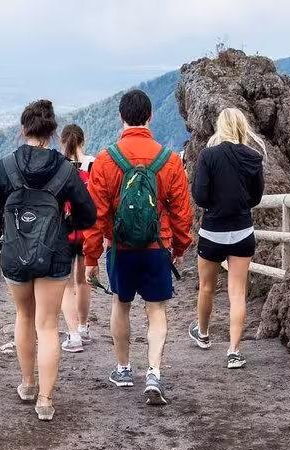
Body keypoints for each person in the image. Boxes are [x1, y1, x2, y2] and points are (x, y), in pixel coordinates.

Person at [0, 100, 96, 421]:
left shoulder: (5, 167)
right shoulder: (65, 169)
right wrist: (67, 225)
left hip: (14, 254)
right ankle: (45, 400)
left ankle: (28, 384)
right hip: (54, 255)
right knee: (48, 324)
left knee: (23, 316)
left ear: (23, 130)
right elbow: (89, 214)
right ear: (53, 132)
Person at [84, 89, 192, 405]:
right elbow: (182, 211)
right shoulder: (170, 161)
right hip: (159, 246)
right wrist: (181, 247)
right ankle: (154, 372)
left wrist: (92, 257)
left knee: (121, 304)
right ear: (150, 116)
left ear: (121, 117)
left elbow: (96, 215)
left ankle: (123, 369)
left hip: (121, 248)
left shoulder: (105, 160)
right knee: (156, 310)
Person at [189, 107, 265, 369]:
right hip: (243, 231)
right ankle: (234, 351)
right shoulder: (253, 157)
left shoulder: (208, 156)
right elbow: (256, 198)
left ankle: (203, 333)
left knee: (207, 286)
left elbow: (199, 196)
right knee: (237, 292)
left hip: (212, 231)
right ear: (243, 127)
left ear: (220, 127)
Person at [60, 124, 93, 353]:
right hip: (87, 231)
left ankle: (73, 335)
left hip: (64, 231)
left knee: (66, 284)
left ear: (63, 142)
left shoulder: (59, 167)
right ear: (83, 140)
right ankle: (83, 327)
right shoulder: (93, 164)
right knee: (83, 280)